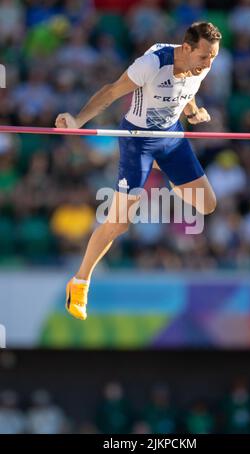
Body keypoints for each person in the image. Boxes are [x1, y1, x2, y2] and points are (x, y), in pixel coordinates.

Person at [55, 21, 221, 320]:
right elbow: (110, 92)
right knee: (119, 224)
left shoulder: (202, 64)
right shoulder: (151, 64)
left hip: (171, 138)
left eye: (212, 57)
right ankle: (79, 282)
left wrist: (192, 111)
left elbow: (189, 87)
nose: (208, 64)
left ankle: (163, 168)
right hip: (138, 142)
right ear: (186, 48)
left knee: (207, 205)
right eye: (204, 57)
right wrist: (78, 121)